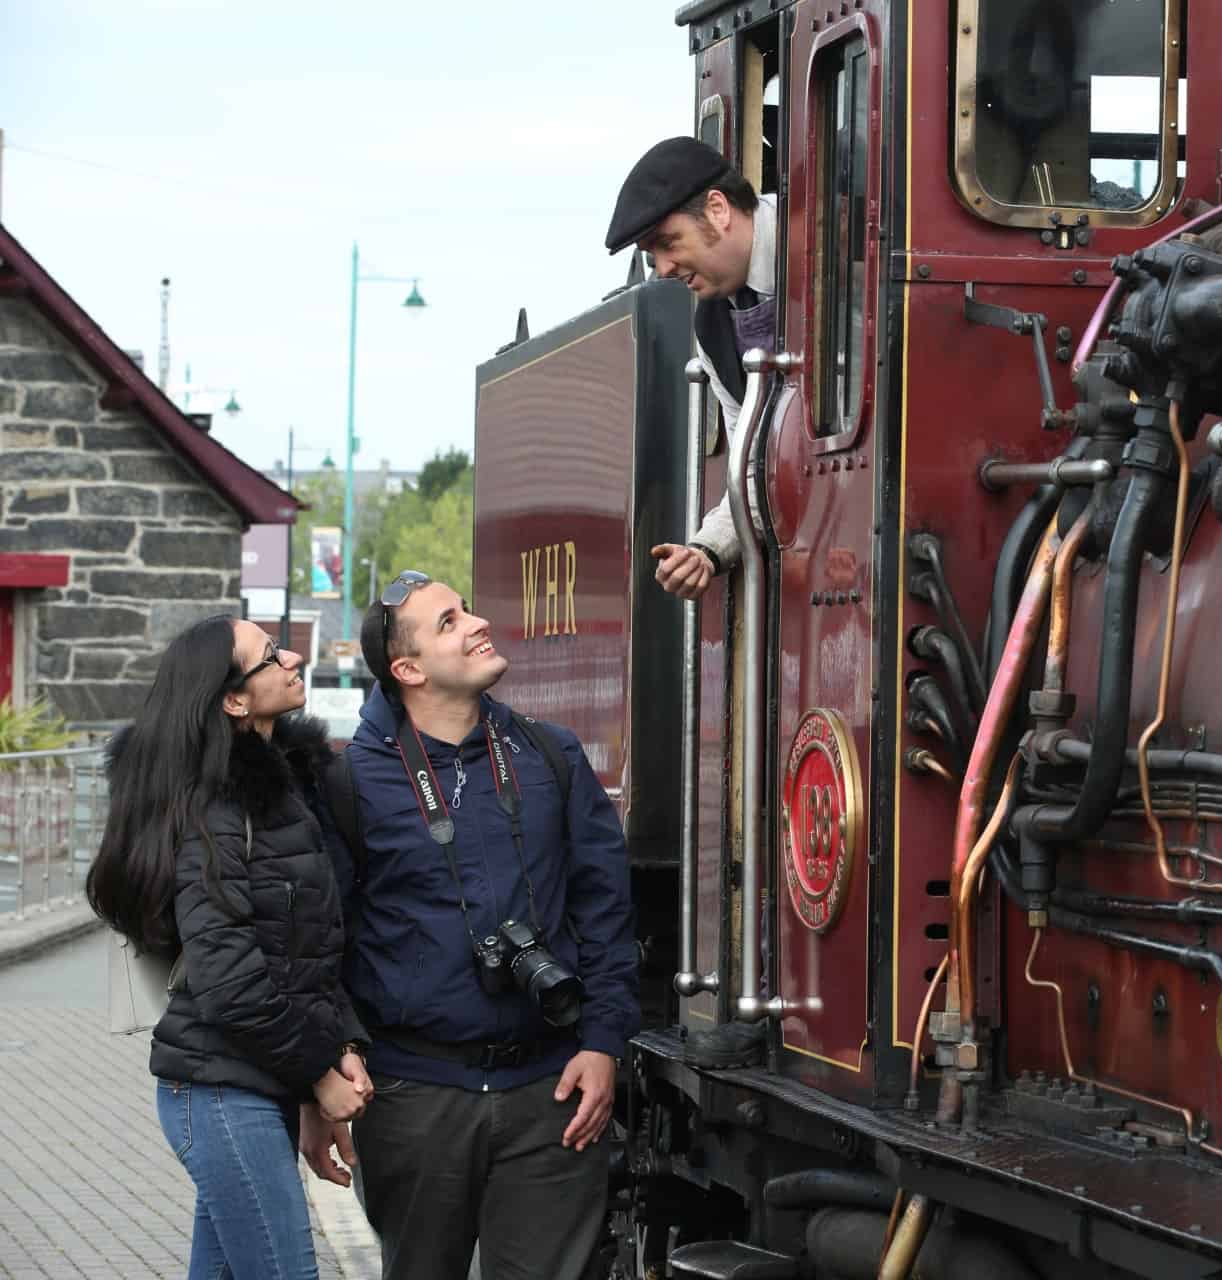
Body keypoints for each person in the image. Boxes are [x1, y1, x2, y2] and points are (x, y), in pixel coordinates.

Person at [303, 570, 641, 1280]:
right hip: (414, 1099)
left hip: (552, 1093)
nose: (478, 622)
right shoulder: (351, 783)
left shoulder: (552, 756)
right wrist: (321, 1072)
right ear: (408, 668)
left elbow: (605, 911)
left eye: (468, 608)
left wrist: (604, 1041)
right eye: (450, 622)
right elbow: (319, 942)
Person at [87, 616, 372, 1280]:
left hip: (255, 1082)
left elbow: (309, 952)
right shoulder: (215, 807)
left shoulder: (282, 792)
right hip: (218, 1091)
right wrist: (321, 1078)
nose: (294, 656)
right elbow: (229, 983)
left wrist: (339, 1049)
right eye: (271, 656)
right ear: (235, 700)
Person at [606, 135, 778, 601]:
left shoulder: (833, 242)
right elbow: (753, 461)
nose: (661, 269)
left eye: (667, 242)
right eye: (651, 254)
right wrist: (706, 549)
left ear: (718, 210)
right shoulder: (712, 324)